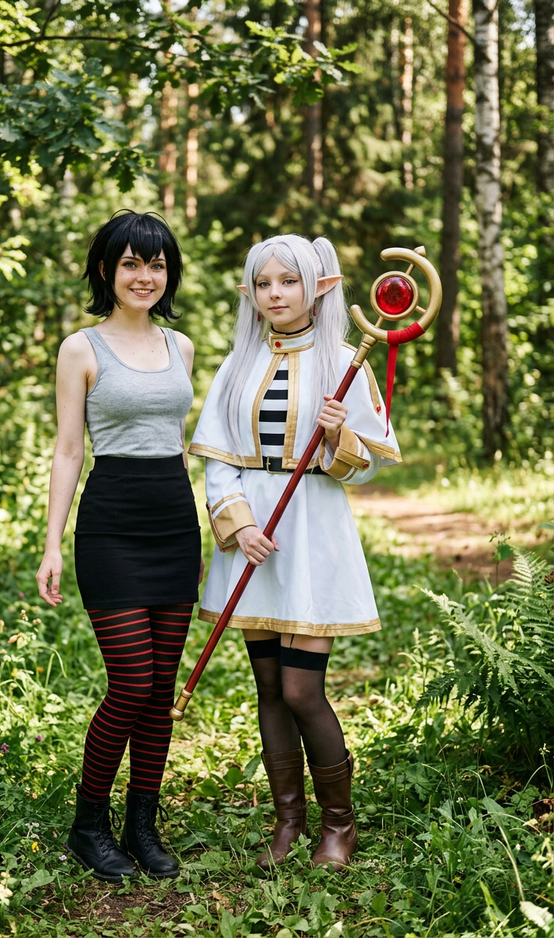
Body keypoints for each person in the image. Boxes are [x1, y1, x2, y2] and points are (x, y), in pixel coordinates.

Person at [189, 234, 401, 872]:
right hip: (256, 538)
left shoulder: (346, 363)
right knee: (267, 687)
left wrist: (338, 436)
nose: (275, 294)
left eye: (288, 281)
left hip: (311, 533)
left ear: (318, 288)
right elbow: (218, 460)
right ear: (249, 293)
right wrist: (239, 526)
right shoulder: (238, 364)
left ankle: (339, 824)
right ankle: (288, 820)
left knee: (302, 689)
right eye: (263, 283)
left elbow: (365, 467)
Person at [36, 210, 201, 882]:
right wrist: (52, 543)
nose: (144, 276)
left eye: (156, 265)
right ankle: (88, 825)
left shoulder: (181, 346)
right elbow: (69, 449)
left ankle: (142, 824)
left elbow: (179, 443)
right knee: (131, 681)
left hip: (175, 525)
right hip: (111, 526)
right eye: (131, 263)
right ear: (107, 270)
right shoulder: (81, 348)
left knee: (160, 689)